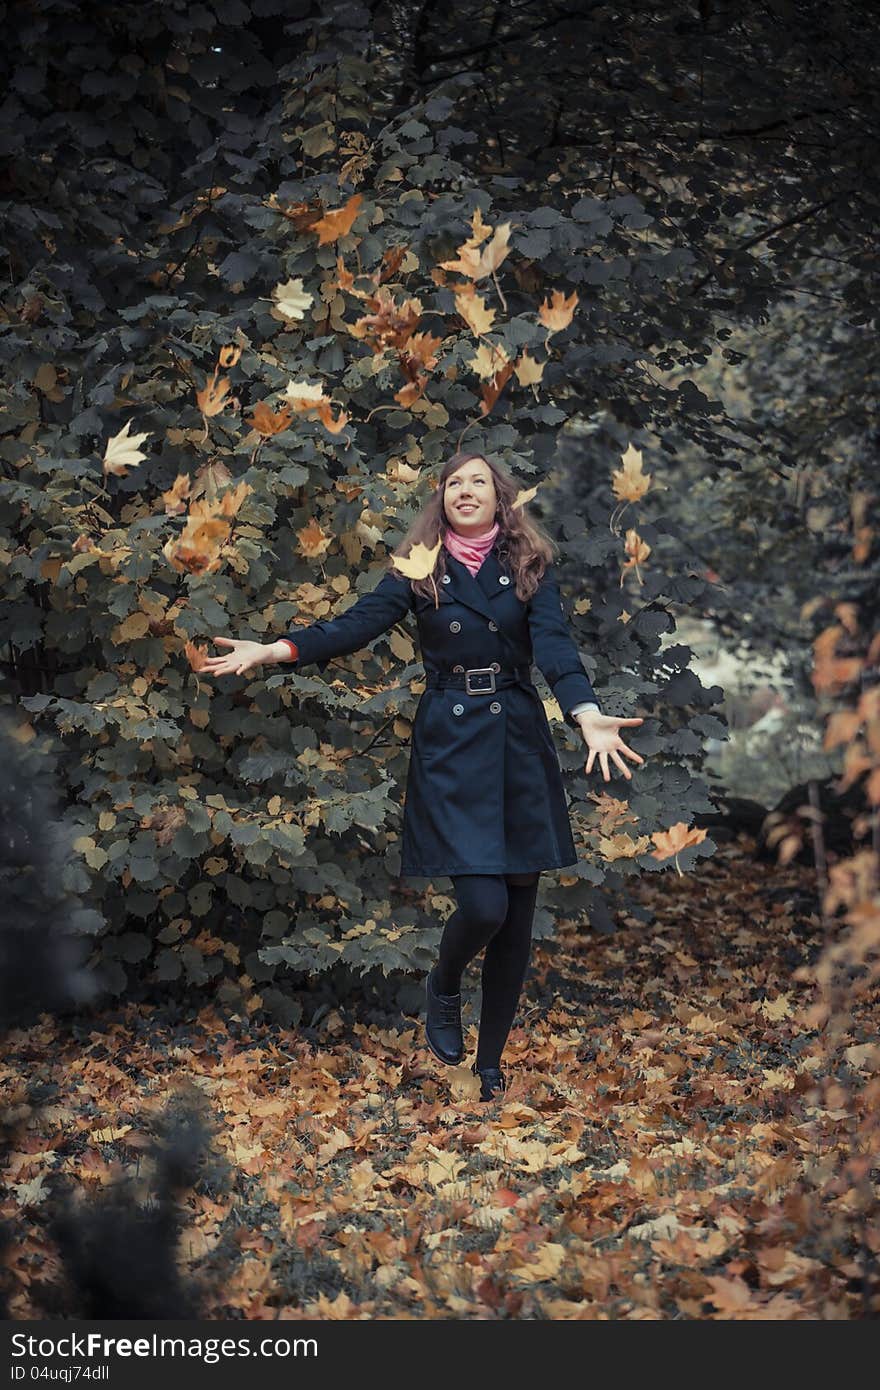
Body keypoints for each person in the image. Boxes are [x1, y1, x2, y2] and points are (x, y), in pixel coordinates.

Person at [201, 451, 644, 1101]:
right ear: (441, 500)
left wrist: (584, 713)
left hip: (517, 742)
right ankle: (445, 979)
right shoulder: (418, 567)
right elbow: (356, 625)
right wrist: (279, 648)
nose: (465, 490)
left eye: (479, 483)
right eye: (454, 483)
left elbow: (553, 645)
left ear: (502, 500)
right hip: (453, 743)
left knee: (517, 912)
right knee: (483, 905)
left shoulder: (530, 566)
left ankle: (489, 1064)